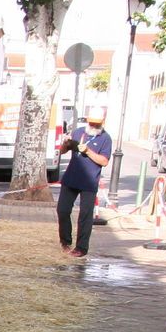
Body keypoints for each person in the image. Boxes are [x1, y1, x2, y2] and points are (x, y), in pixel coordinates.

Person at [56, 109, 113, 257]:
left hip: (89, 181)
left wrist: (88, 151)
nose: (93, 126)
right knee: (62, 210)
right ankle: (65, 241)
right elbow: (63, 151)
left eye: (96, 124)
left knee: (85, 215)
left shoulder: (105, 138)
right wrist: (65, 144)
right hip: (71, 178)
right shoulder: (78, 132)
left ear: (102, 122)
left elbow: (104, 161)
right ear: (87, 120)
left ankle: (81, 248)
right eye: (91, 123)